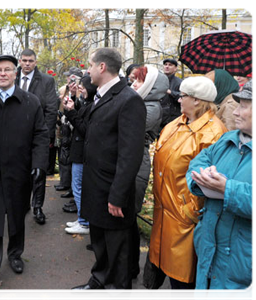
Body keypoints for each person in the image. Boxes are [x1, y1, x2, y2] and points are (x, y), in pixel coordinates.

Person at [0, 55, 49, 298]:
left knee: (16, 218)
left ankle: (14, 254)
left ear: (16, 73)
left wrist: (38, 164)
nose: (3, 74)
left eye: (8, 70)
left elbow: (41, 135)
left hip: (18, 173)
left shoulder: (30, 101)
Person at [71, 48, 146, 300]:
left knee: (118, 247)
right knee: (100, 240)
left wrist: (117, 195)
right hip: (96, 185)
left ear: (102, 67)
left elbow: (130, 154)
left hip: (113, 188)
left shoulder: (128, 99)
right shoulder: (101, 96)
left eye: (90, 65)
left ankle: (118, 290)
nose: (87, 70)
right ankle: (100, 278)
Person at [149, 76, 227, 300]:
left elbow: (211, 180)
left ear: (197, 101)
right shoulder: (177, 123)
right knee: (175, 279)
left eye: (183, 96)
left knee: (188, 283)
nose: (178, 99)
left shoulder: (213, 133)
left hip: (187, 220)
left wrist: (190, 211)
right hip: (167, 215)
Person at [186, 79, 256, 300]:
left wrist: (228, 189)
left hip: (243, 264)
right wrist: (201, 181)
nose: (235, 112)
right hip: (210, 254)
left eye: (244, 105)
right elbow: (196, 164)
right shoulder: (227, 140)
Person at [130, 64, 168, 278]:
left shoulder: (151, 107)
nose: (134, 84)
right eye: (134, 79)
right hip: (133, 159)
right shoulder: (141, 102)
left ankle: (131, 266)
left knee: (129, 217)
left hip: (137, 163)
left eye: (140, 80)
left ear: (152, 86)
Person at [16, 48, 58, 224]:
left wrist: (46, 136)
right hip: (16, 135)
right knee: (19, 172)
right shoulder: (12, 77)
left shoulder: (46, 81)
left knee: (39, 171)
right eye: (24, 60)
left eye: (30, 61)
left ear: (35, 62)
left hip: (38, 134)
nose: (27, 64)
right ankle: (22, 203)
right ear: (19, 61)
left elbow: (51, 109)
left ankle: (38, 207)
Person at [62, 73, 97, 235]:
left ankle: (84, 222)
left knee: (79, 188)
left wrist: (70, 112)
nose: (80, 88)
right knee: (79, 187)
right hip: (79, 151)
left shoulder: (92, 106)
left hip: (82, 153)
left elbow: (84, 128)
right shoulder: (88, 103)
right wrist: (73, 106)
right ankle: (82, 218)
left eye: (83, 86)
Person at [55, 67, 83, 201]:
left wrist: (74, 94)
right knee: (63, 156)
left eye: (72, 78)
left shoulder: (82, 90)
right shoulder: (62, 89)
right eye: (68, 77)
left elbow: (80, 107)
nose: (69, 80)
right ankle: (65, 183)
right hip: (64, 125)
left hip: (75, 128)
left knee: (72, 159)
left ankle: (72, 188)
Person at [160, 58, 182, 130]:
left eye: (170, 65)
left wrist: (171, 92)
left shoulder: (180, 82)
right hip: (159, 118)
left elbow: (183, 97)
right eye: (165, 64)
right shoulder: (158, 80)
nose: (167, 66)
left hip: (173, 118)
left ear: (175, 68)